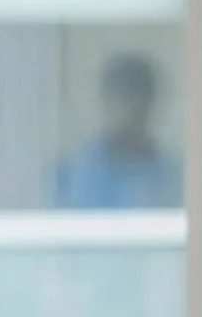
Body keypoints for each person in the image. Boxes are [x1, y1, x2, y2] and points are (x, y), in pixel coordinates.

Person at [51, 52, 180, 209]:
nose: (130, 116)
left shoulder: (168, 174)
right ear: (106, 103)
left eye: (139, 107)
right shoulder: (73, 173)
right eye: (123, 102)